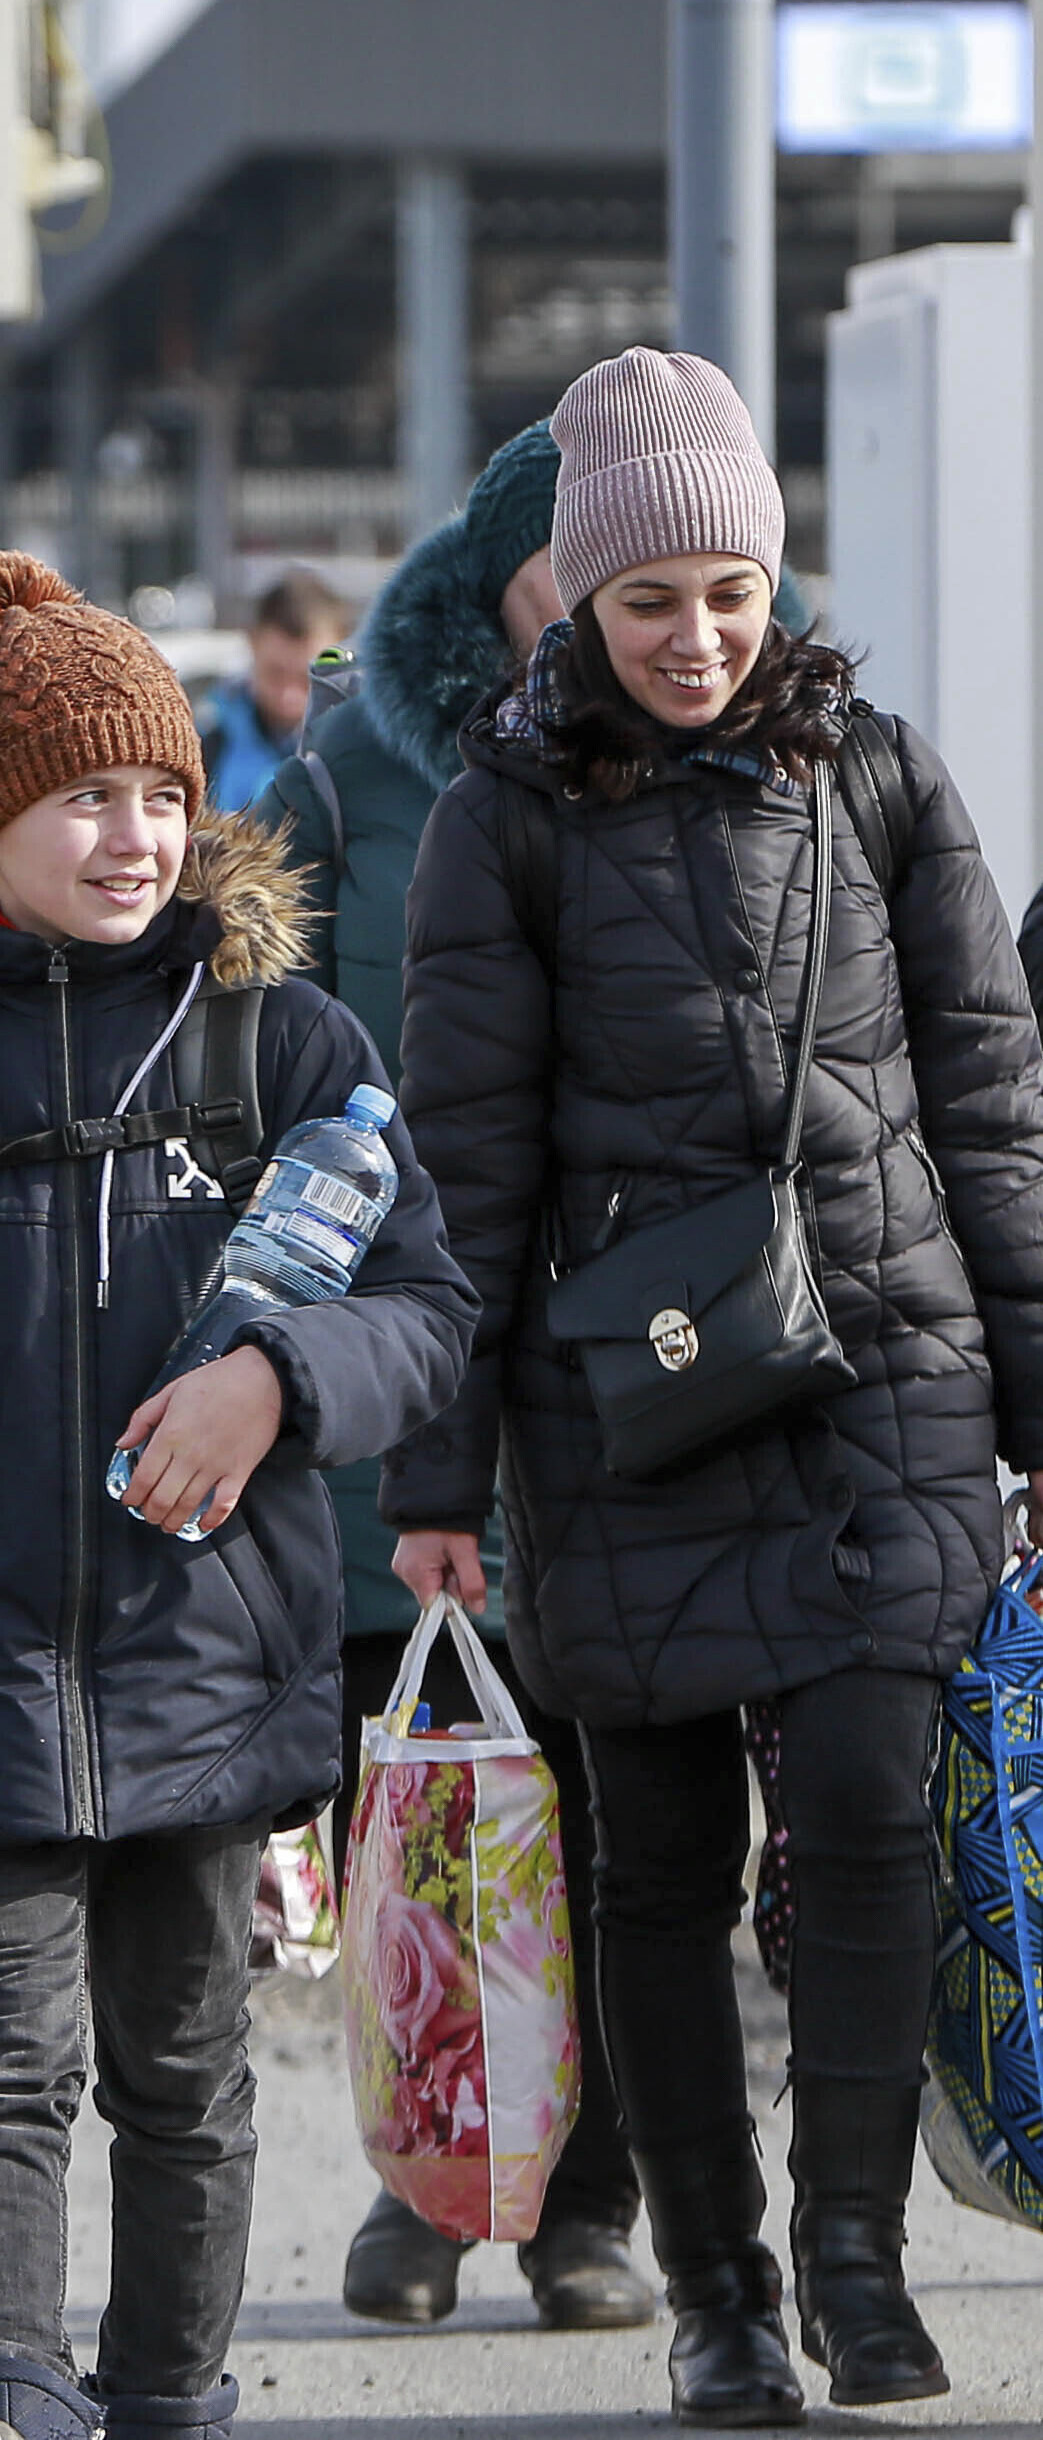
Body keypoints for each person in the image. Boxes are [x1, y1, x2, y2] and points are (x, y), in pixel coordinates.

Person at [0, 551, 473, 2440]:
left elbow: (428, 1314)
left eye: (154, 793)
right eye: (79, 798)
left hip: (211, 1654)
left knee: (187, 2073)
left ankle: (163, 2405)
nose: (130, 836)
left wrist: (275, 1378)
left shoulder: (285, 1042)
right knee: (1, 2062)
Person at [388, 346, 1043, 2424]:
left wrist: (1041, 1402)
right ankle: (719, 2290)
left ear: (776, 579)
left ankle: (857, 2261)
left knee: (869, 1816)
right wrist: (438, 1463)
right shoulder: (497, 822)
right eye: (650, 596)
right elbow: (460, 1172)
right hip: (625, 1401)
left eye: (729, 591)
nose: (695, 636)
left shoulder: (883, 778)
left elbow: (997, 1107)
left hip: (883, 1372)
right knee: (653, 1865)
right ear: (577, 597)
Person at [247, 425, 652, 2331]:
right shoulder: (356, 775)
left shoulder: (747, 753)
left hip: (639, 1360)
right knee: (398, 1802)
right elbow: (264, 1065)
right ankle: (416, 2181)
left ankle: (589, 2197)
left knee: (608, 1805)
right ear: (492, 582)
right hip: (403, 1359)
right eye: (562, 567)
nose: (593, 607)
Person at [198, 568, 349, 812]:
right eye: (275, 674)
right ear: (252, 643)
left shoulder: (361, 748)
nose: (288, 696)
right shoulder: (206, 744)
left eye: (307, 679)